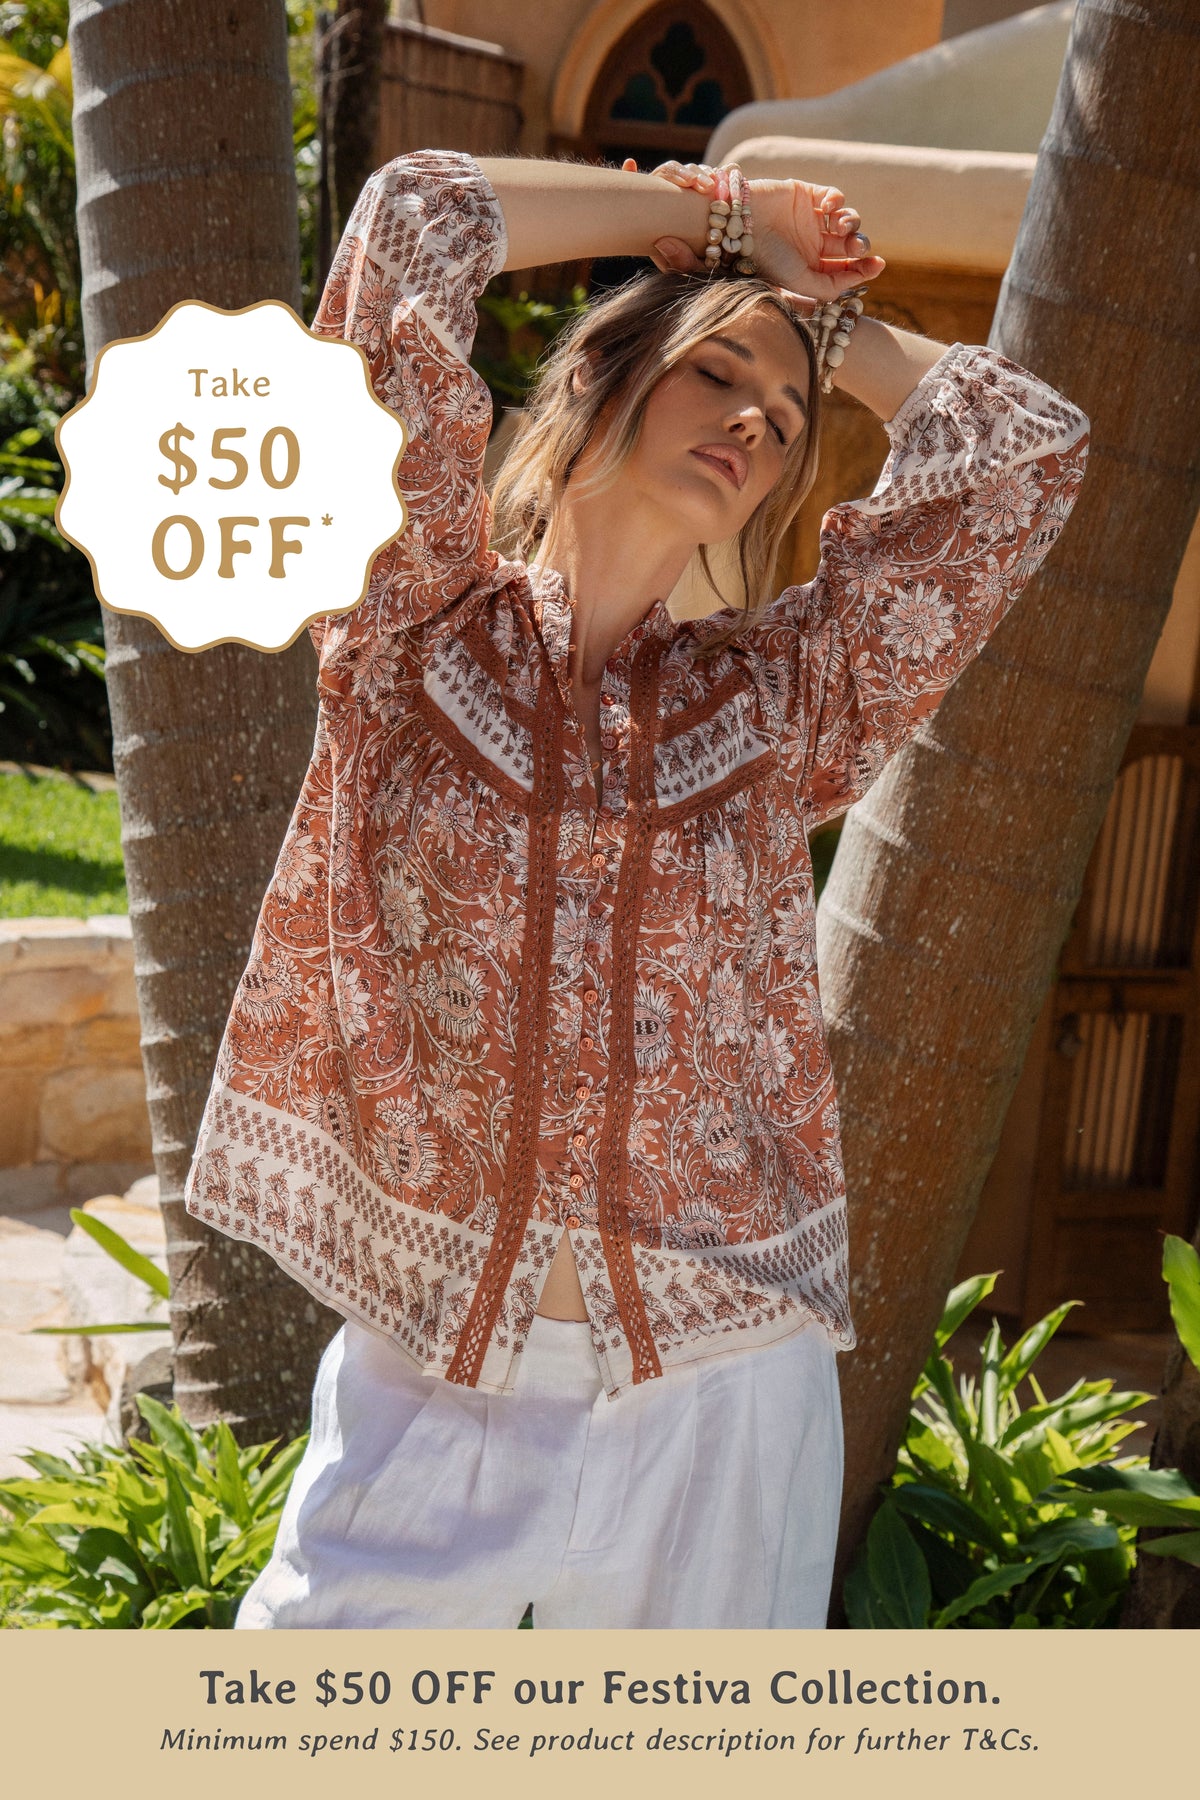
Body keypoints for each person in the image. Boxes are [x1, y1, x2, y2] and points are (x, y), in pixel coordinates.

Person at [183, 148, 1089, 1629]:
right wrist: (717, 227)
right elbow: (411, 222)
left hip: (722, 1389)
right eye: (716, 374)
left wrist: (823, 324)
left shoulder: (782, 702)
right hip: (439, 1373)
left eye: (785, 419)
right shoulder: (411, 624)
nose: (753, 421)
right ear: (605, 381)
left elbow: (1024, 452)